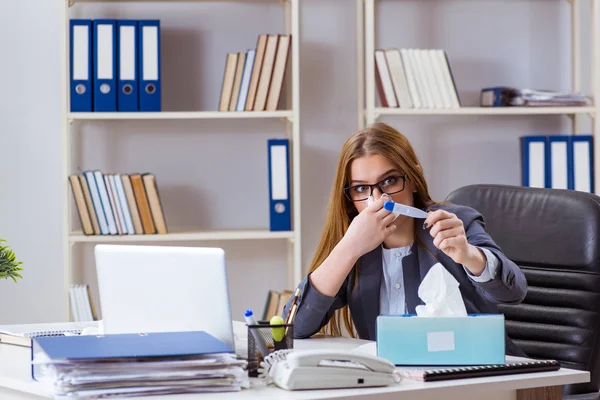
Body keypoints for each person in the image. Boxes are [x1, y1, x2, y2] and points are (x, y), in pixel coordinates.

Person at [284, 122, 527, 356]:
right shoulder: (355, 248)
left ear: (412, 178)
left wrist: (470, 255)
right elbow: (294, 327)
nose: (378, 199)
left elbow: (513, 291)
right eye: (361, 189)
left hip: (475, 377)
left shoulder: (454, 222)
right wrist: (348, 249)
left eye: (389, 181)